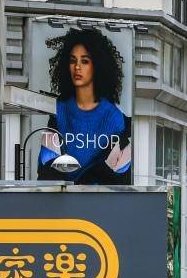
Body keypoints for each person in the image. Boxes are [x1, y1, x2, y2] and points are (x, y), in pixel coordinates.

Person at [39, 27, 133, 184]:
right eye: (72, 60)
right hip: (60, 202)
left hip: (98, 204)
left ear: (97, 66)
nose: (77, 67)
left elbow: (119, 176)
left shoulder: (113, 117)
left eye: (85, 61)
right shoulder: (58, 110)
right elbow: (46, 168)